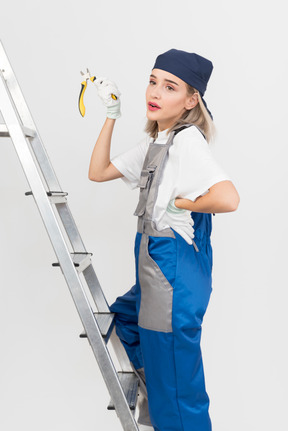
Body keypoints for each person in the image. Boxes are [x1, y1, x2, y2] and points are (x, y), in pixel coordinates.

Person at [88, 48, 240, 431]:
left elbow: (228, 198)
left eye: (169, 86)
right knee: (123, 318)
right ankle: (152, 387)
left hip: (172, 279)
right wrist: (111, 116)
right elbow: (99, 171)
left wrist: (184, 202)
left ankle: (164, 399)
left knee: (179, 399)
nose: (155, 92)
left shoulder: (188, 142)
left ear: (191, 100)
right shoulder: (160, 142)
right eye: (152, 81)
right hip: (154, 276)